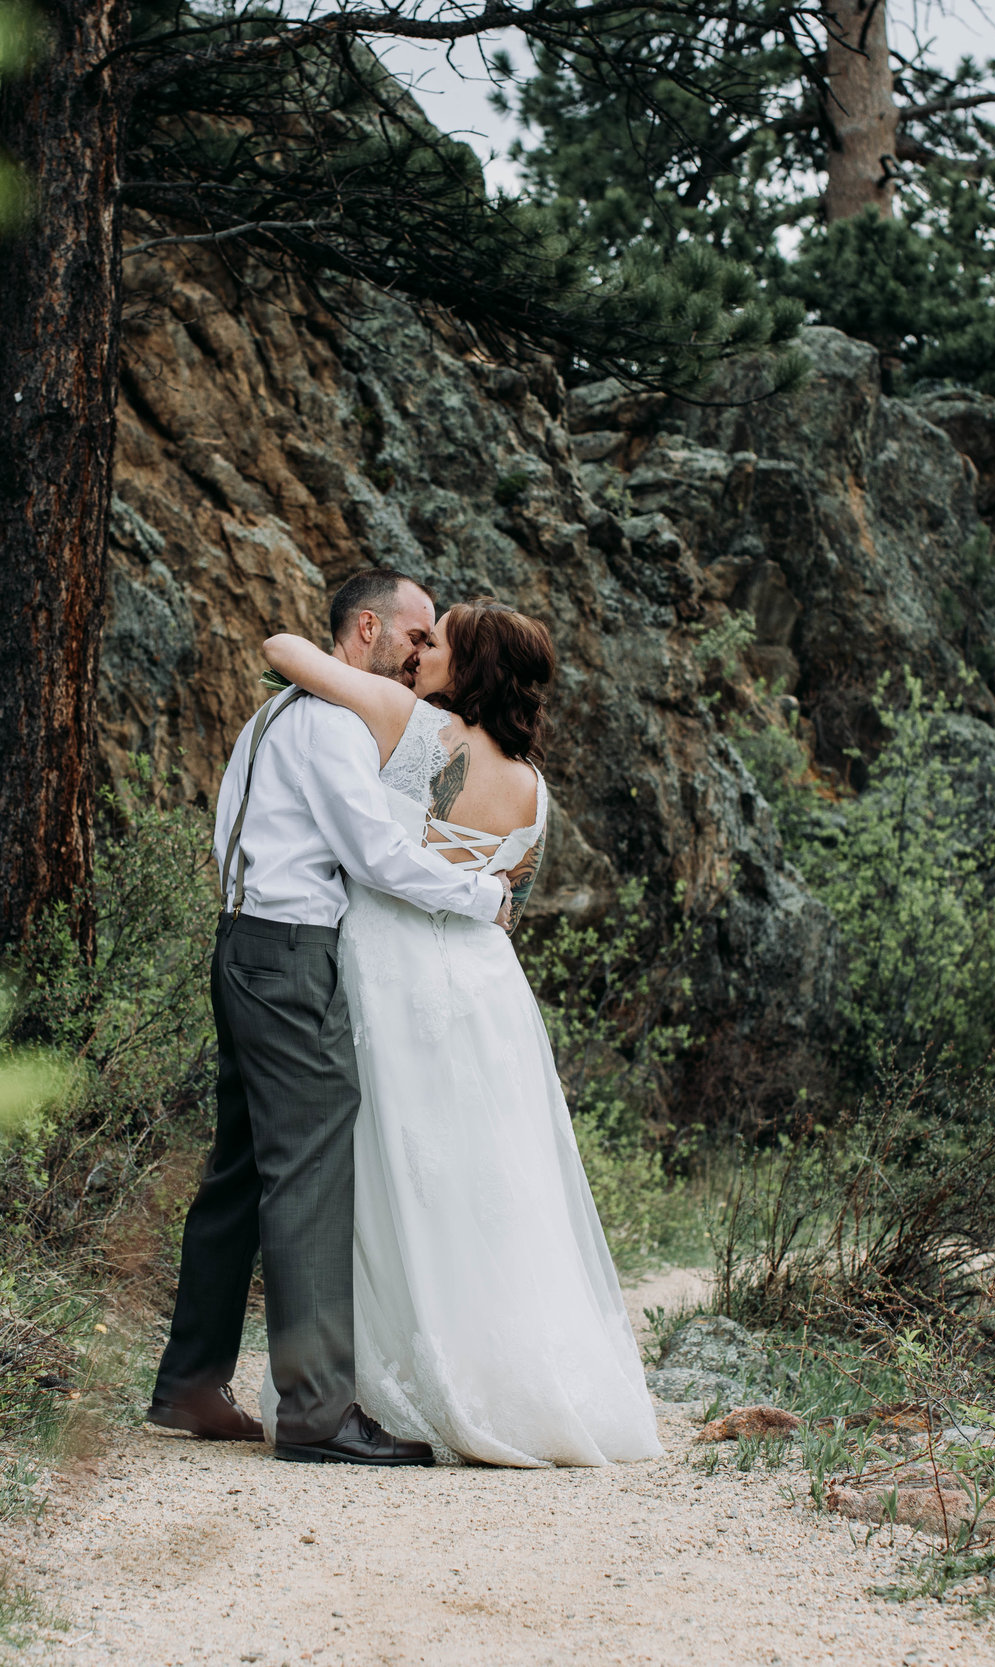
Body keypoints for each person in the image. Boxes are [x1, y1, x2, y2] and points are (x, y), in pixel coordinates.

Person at [259, 594, 662, 1467]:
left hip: (392, 970)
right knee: (494, 1181)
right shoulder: (535, 791)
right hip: (487, 989)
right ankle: (516, 1375)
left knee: (387, 1176)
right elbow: (511, 892)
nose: (418, 652)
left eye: (435, 641)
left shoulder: (411, 728)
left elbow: (284, 648)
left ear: (468, 664)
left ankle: (373, 1381)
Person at [147, 569, 515, 1466]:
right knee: (310, 1169)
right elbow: (375, 852)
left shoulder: (272, 717)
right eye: (416, 636)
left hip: (240, 943)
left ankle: (191, 1384)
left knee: (239, 1168)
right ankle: (316, 1412)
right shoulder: (330, 723)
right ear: (366, 629)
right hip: (289, 954)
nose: (423, 654)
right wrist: (481, 896)